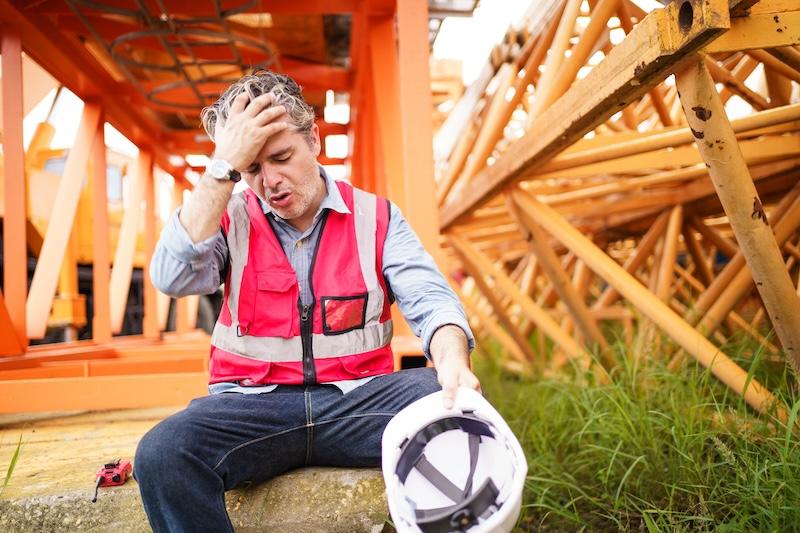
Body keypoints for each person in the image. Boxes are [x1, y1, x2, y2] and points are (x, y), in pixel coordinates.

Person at [134, 70, 480, 532]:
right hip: (254, 412)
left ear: (313, 139)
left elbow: (432, 300)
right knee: (163, 453)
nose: (271, 181)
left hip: (357, 406)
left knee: (446, 401)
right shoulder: (228, 218)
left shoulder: (375, 218)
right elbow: (171, 276)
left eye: (281, 157)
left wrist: (454, 360)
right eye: (253, 169)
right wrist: (222, 168)